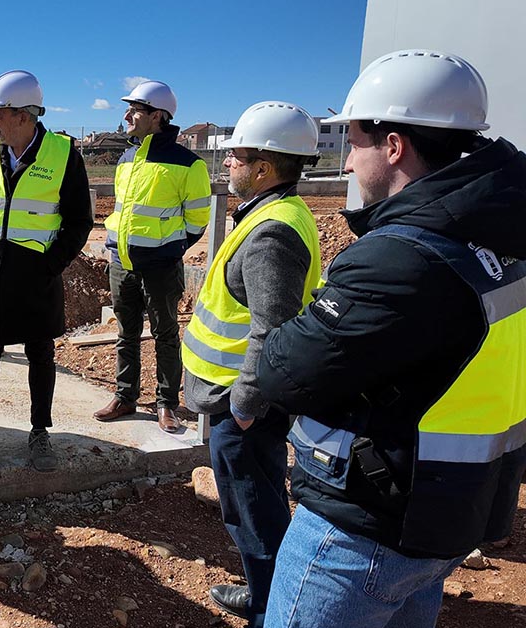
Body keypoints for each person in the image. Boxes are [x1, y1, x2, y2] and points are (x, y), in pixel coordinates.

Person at [258, 50, 526, 627]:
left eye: (353, 142)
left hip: (367, 523)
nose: (348, 163)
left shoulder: (401, 257)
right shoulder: (505, 234)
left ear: (395, 146)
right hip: (455, 507)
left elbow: (284, 370)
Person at [181, 102, 322, 627]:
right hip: (236, 398)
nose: (226, 167)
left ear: (263, 167)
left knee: (253, 510)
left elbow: (273, 328)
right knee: (254, 502)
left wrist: (243, 405)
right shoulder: (272, 213)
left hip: (241, 404)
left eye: (235, 157)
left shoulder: (271, 233)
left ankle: (270, 607)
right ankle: (265, 591)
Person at [0, 70, 93, 475]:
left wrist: (50, 266)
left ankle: (39, 432)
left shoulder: (63, 154)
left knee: (40, 356)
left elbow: (79, 221)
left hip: (37, 276)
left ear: (25, 116)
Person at [94, 80, 211, 433]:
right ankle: (125, 396)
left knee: (165, 334)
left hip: (160, 267)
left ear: (157, 116)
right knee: (125, 334)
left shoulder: (188, 164)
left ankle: (166, 404)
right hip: (122, 264)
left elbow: (197, 221)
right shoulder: (127, 157)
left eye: (136, 111)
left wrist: (170, 250)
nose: (128, 116)